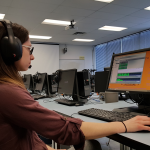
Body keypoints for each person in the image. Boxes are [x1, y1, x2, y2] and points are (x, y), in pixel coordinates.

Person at [0, 20, 150, 150]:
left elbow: (27, 137)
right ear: (11, 49)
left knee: (91, 144)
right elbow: (65, 130)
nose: (32, 56)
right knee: (92, 144)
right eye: (29, 49)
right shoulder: (7, 92)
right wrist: (124, 125)